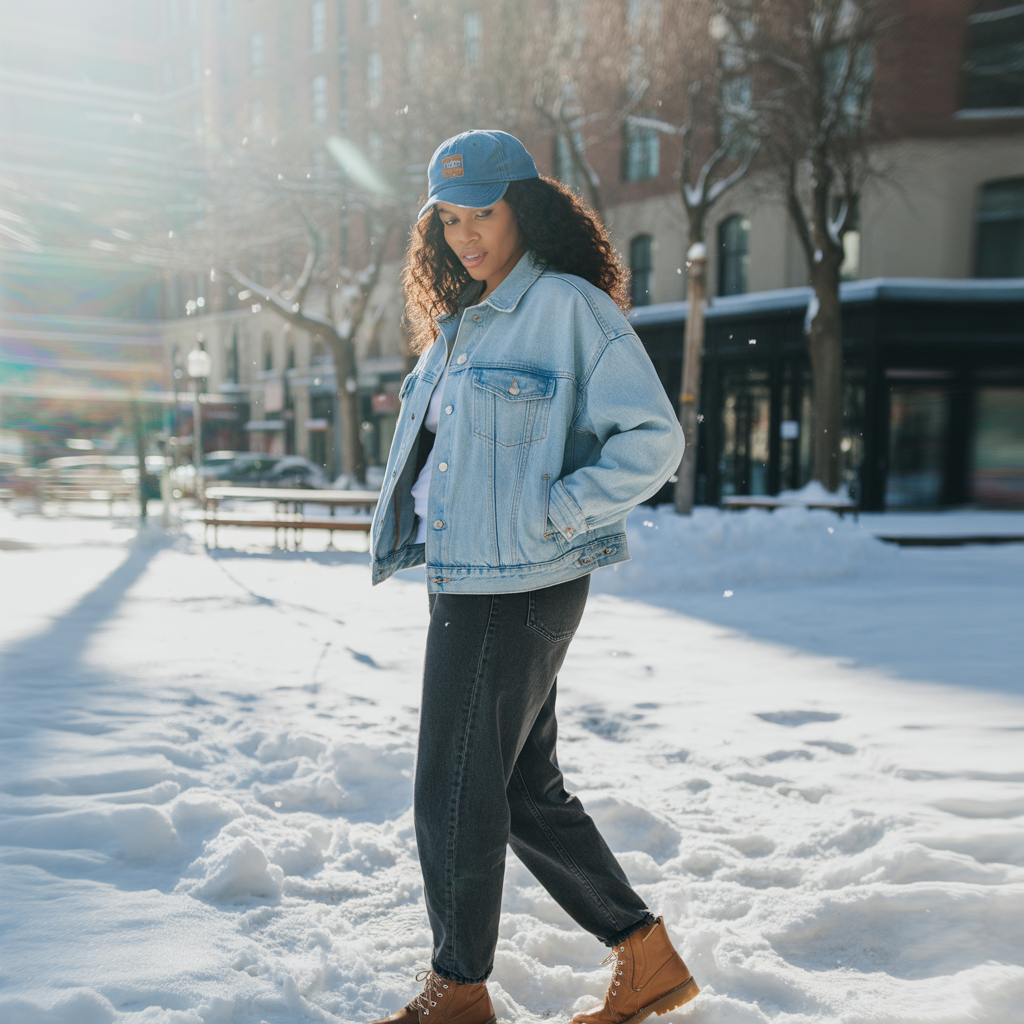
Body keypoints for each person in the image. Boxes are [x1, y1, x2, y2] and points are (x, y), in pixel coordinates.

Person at [369, 130, 698, 1024]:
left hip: (513, 587)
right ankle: (647, 953)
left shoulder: (567, 309)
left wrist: (557, 508)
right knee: (519, 788)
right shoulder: (462, 322)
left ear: (525, 206)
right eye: (448, 218)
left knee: (452, 788)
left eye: (482, 212)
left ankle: (459, 988)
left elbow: (653, 441)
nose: (464, 234)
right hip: (472, 578)